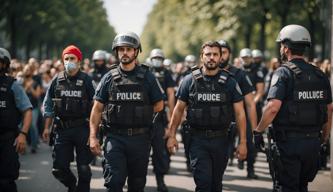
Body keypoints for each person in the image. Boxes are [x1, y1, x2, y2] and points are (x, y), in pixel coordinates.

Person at [254, 24, 332, 192]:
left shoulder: (283, 73)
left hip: (288, 144)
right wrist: (324, 139)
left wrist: (258, 130)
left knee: (286, 187)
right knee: (302, 187)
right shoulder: (320, 75)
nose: (281, 48)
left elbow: (273, 107)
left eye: (282, 45)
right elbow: (329, 109)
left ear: (287, 48)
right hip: (312, 143)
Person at [167, 41, 247, 191]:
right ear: (201, 56)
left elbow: (240, 113)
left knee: (216, 185)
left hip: (221, 140)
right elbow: (178, 110)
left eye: (215, 54)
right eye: (208, 54)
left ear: (220, 56)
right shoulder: (189, 80)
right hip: (197, 140)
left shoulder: (230, 82)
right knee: (203, 184)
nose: (211, 58)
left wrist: (243, 142)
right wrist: (172, 135)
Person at [89, 31, 164, 192]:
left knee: (136, 185)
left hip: (140, 139)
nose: (125, 53)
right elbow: (96, 110)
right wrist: (93, 136)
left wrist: (139, 110)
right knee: (114, 183)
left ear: (136, 51)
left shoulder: (148, 77)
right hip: (114, 138)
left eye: (129, 49)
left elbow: (159, 105)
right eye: (121, 49)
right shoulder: (109, 77)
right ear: (116, 52)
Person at [42, 45, 95, 192]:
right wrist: (47, 127)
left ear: (79, 61)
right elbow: (48, 105)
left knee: (84, 167)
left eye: (72, 58)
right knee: (59, 168)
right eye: (66, 58)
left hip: (82, 129)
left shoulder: (87, 80)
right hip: (62, 129)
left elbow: (97, 106)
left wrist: (95, 132)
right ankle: (72, 185)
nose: (69, 61)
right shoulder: (56, 80)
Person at [218, 40, 258, 170]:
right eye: (218, 53)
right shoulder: (207, 73)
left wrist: (254, 129)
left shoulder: (239, 74)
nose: (221, 56)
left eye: (224, 52)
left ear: (229, 54)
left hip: (240, 117)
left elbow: (250, 104)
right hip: (217, 121)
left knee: (248, 144)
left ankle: (250, 169)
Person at [0, 47, 32, 192]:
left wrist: (23, 134)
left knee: (6, 181)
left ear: (5, 64)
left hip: (7, 139)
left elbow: (27, 111)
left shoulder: (13, 86)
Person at [149, 48, 176, 192]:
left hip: (161, 116)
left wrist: (170, 119)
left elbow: (171, 95)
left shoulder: (166, 73)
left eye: (159, 58)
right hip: (145, 117)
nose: (157, 60)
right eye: (155, 58)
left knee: (160, 151)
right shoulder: (145, 72)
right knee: (138, 151)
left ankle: (160, 181)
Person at [238, 48, 264, 178]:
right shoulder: (238, 71)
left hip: (252, 108)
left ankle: (250, 168)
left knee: (250, 137)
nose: (245, 60)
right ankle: (239, 158)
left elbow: (260, 90)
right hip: (238, 107)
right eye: (243, 58)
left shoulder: (257, 70)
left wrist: (252, 102)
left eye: (247, 57)